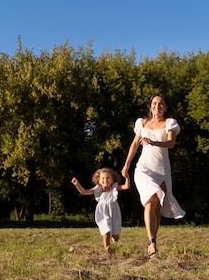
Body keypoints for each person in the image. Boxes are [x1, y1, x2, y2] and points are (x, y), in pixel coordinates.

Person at [121, 92, 185, 259]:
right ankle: (152, 243)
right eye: (155, 103)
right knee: (150, 200)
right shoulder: (142, 123)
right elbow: (135, 144)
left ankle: (153, 240)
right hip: (143, 169)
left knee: (157, 204)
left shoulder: (169, 123)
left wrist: (154, 142)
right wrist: (127, 164)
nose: (158, 106)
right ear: (150, 107)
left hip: (161, 170)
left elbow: (171, 143)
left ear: (166, 107)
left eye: (161, 104)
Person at [71, 167, 130, 253]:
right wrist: (77, 184)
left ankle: (114, 237)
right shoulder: (97, 189)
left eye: (108, 178)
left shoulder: (114, 188)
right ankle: (108, 250)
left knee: (115, 235)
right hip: (102, 213)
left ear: (112, 180)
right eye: (103, 178)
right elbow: (84, 192)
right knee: (106, 232)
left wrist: (127, 177)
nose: (105, 180)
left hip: (114, 212)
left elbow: (126, 186)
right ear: (98, 180)